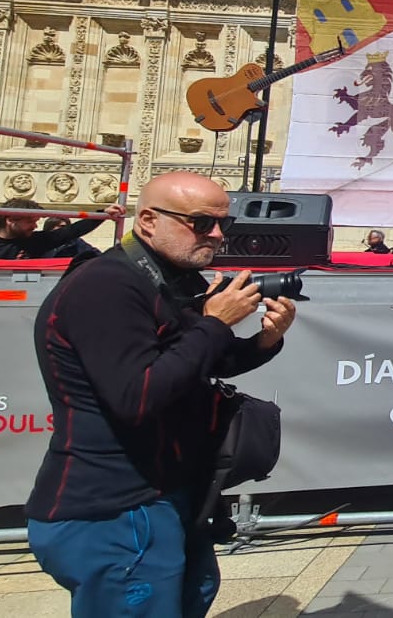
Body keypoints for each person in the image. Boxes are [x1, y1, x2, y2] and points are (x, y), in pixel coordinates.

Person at [23, 171, 296, 617]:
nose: (217, 235)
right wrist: (214, 323)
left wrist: (263, 341)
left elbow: (198, 365)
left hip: (164, 493)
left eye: (225, 224)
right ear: (148, 220)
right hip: (115, 506)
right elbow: (138, 395)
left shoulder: (169, 279)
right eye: (201, 223)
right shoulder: (106, 286)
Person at [0, 198, 124, 261]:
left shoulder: (32, 241)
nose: (35, 226)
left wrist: (102, 214)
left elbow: (70, 233)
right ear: (11, 220)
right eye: (31, 221)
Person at [38, 216, 103, 260]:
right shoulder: (39, 242)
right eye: (60, 226)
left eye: (65, 227)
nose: (63, 230)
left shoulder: (75, 242)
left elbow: (95, 255)